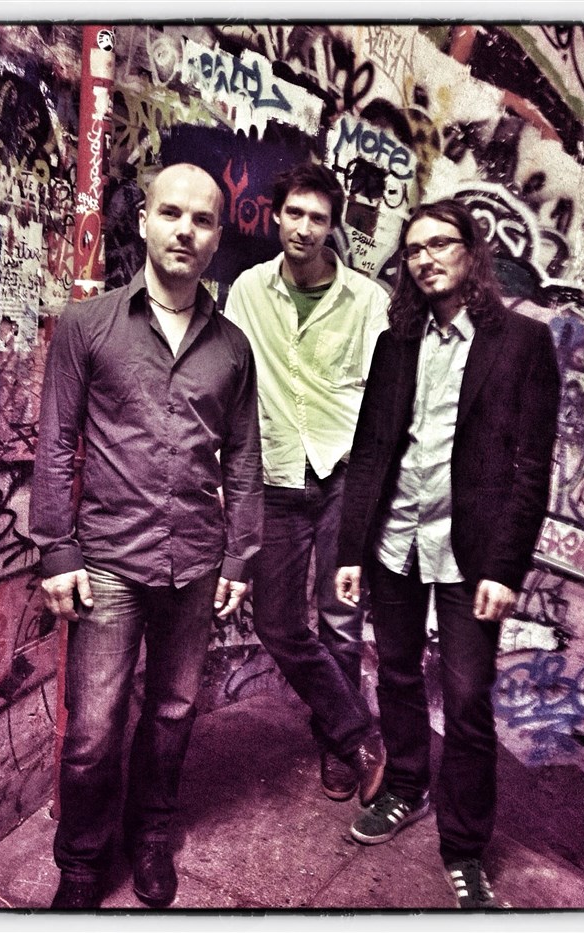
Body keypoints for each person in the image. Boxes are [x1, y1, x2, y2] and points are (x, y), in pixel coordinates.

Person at [29, 163, 263, 910]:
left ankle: (151, 833)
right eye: (171, 213)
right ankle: (81, 864)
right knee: (93, 730)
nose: (185, 230)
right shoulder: (88, 325)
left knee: (172, 712)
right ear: (144, 221)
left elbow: (245, 458)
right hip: (109, 561)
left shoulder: (233, 348)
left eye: (202, 220)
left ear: (218, 238)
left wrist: (240, 557)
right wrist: (56, 549)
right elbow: (56, 441)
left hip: (195, 561)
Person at [335, 199, 560, 909]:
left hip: (472, 554)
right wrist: (350, 549)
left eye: (440, 243)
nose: (425, 258)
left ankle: (464, 848)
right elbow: (371, 450)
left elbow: (532, 467)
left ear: (471, 250)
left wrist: (506, 568)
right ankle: (406, 786)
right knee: (397, 673)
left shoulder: (521, 342)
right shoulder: (395, 344)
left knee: (465, 701)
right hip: (395, 541)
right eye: (414, 249)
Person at [225, 162, 389, 806]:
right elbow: (231, 383)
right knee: (276, 621)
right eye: (294, 213)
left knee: (340, 621)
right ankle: (359, 732)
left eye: (318, 218)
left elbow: (382, 396)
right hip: (276, 475)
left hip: (342, 476)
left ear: (332, 227)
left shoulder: (366, 301)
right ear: (277, 216)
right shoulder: (247, 291)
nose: (304, 227)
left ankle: (339, 747)